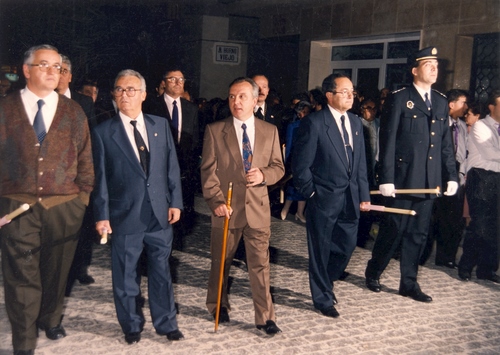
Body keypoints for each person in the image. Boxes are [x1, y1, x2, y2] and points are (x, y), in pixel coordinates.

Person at [0, 44, 94, 355]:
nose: (53, 72)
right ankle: (23, 343)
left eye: (57, 66)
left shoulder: (73, 111)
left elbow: (85, 160)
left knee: (56, 272)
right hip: (17, 207)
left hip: (64, 207)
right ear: (26, 70)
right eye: (44, 65)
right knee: (21, 276)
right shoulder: (5, 108)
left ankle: (50, 318)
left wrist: (81, 200)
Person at [92, 69, 185, 344]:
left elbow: (171, 168)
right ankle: (131, 325)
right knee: (125, 276)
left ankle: (166, 323)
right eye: (119, 90)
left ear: (144, 95)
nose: (125, 95)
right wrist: (102, 216)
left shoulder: (159, 125)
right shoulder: (102, 133)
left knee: (162, 273)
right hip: (124, 217)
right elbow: (100, 180)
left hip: (159, 215)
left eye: (131, 89)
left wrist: (176, 202)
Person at [364, 47, 458, 303]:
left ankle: (409, 283)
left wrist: (451, 176)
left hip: (429, 182)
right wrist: (386, 178)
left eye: (436, 65)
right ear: (414, 70)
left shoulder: (440, 101)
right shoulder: (400, 97)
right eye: (428, 64)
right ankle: (374, 271)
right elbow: (388, 141)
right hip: (403, 180)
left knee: (419, 234)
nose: (434, 68)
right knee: (393, 230)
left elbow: (444, 144)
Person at [200, 77, 284, 335]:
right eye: (232, 96)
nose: (236, 102)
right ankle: (217, 304)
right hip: (227, 209)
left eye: (242, 96)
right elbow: (208, 172)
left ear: (256, 99)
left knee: (260, 266)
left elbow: (279, 167)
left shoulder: (270, 131)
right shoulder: (216, 130)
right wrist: (215, 201)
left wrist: (264, 176)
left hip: (257, 210)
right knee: (221, 262)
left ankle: (265, 317)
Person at [292, 73, 371, 318]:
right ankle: (322, 297)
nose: (350, 96)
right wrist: (312, 193)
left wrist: (364, 195)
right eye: (344, 92)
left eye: (352, 92)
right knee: (320, 249)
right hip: (323, 199)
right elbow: (300, 165)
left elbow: (360, 165)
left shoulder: (357, 123)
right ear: (329, 95)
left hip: (350, 198)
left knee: (346, 247)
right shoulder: (315, 123)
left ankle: (326, 281)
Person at [56, 55, 98, 296]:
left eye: (62, 70)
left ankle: (79, 269)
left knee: (81, 225)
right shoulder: (44, 101)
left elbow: (90, 138)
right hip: (54, 178)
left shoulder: (84, 102)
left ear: (70, 76)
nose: (58, 75)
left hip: (77, 175)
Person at [147, 67, 200, 232]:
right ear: (163, 82)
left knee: (182, 211)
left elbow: (195, 139)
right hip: (159, 167)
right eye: (172, 79)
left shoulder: (191, 108)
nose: (178, 83)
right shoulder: (151, 106)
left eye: (181, 80)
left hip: (185, 169)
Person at [458, 90, 500, 283]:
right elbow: (491, 153)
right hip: (482, 179)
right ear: (492, 107)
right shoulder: (480, 126)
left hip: (497, 179)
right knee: (479, 226)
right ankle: (466, 266)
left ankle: (487, 269)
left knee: (496, 227)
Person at [425, 89, 468, 268]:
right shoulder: (438, 123)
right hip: (437, 173)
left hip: (455, 173)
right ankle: (420, 254)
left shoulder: (462, 126)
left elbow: (463, 151)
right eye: (463, 103)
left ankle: (445, 257)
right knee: (431, 216)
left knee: (451, 219)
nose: (466, 107)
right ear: (451, 104)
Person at [280, 100, 311, 222]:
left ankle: (300, 212)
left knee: (304, 186)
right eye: (303, 112)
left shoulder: (311, 125)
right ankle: (285, 209)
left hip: (307, 160)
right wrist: (288, 162)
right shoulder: (293, 126)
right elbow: (289, 144)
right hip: (295, 159)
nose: (305, 115)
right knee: (293, 186)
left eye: (307, 112)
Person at [357, 98, 381, 248]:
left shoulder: (379, 124)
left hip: (375, 170)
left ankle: (366, 233)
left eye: (374, 108)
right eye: (368, 108)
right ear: (361, 109)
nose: (371, 111)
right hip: (361, 170)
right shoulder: (357, 124)